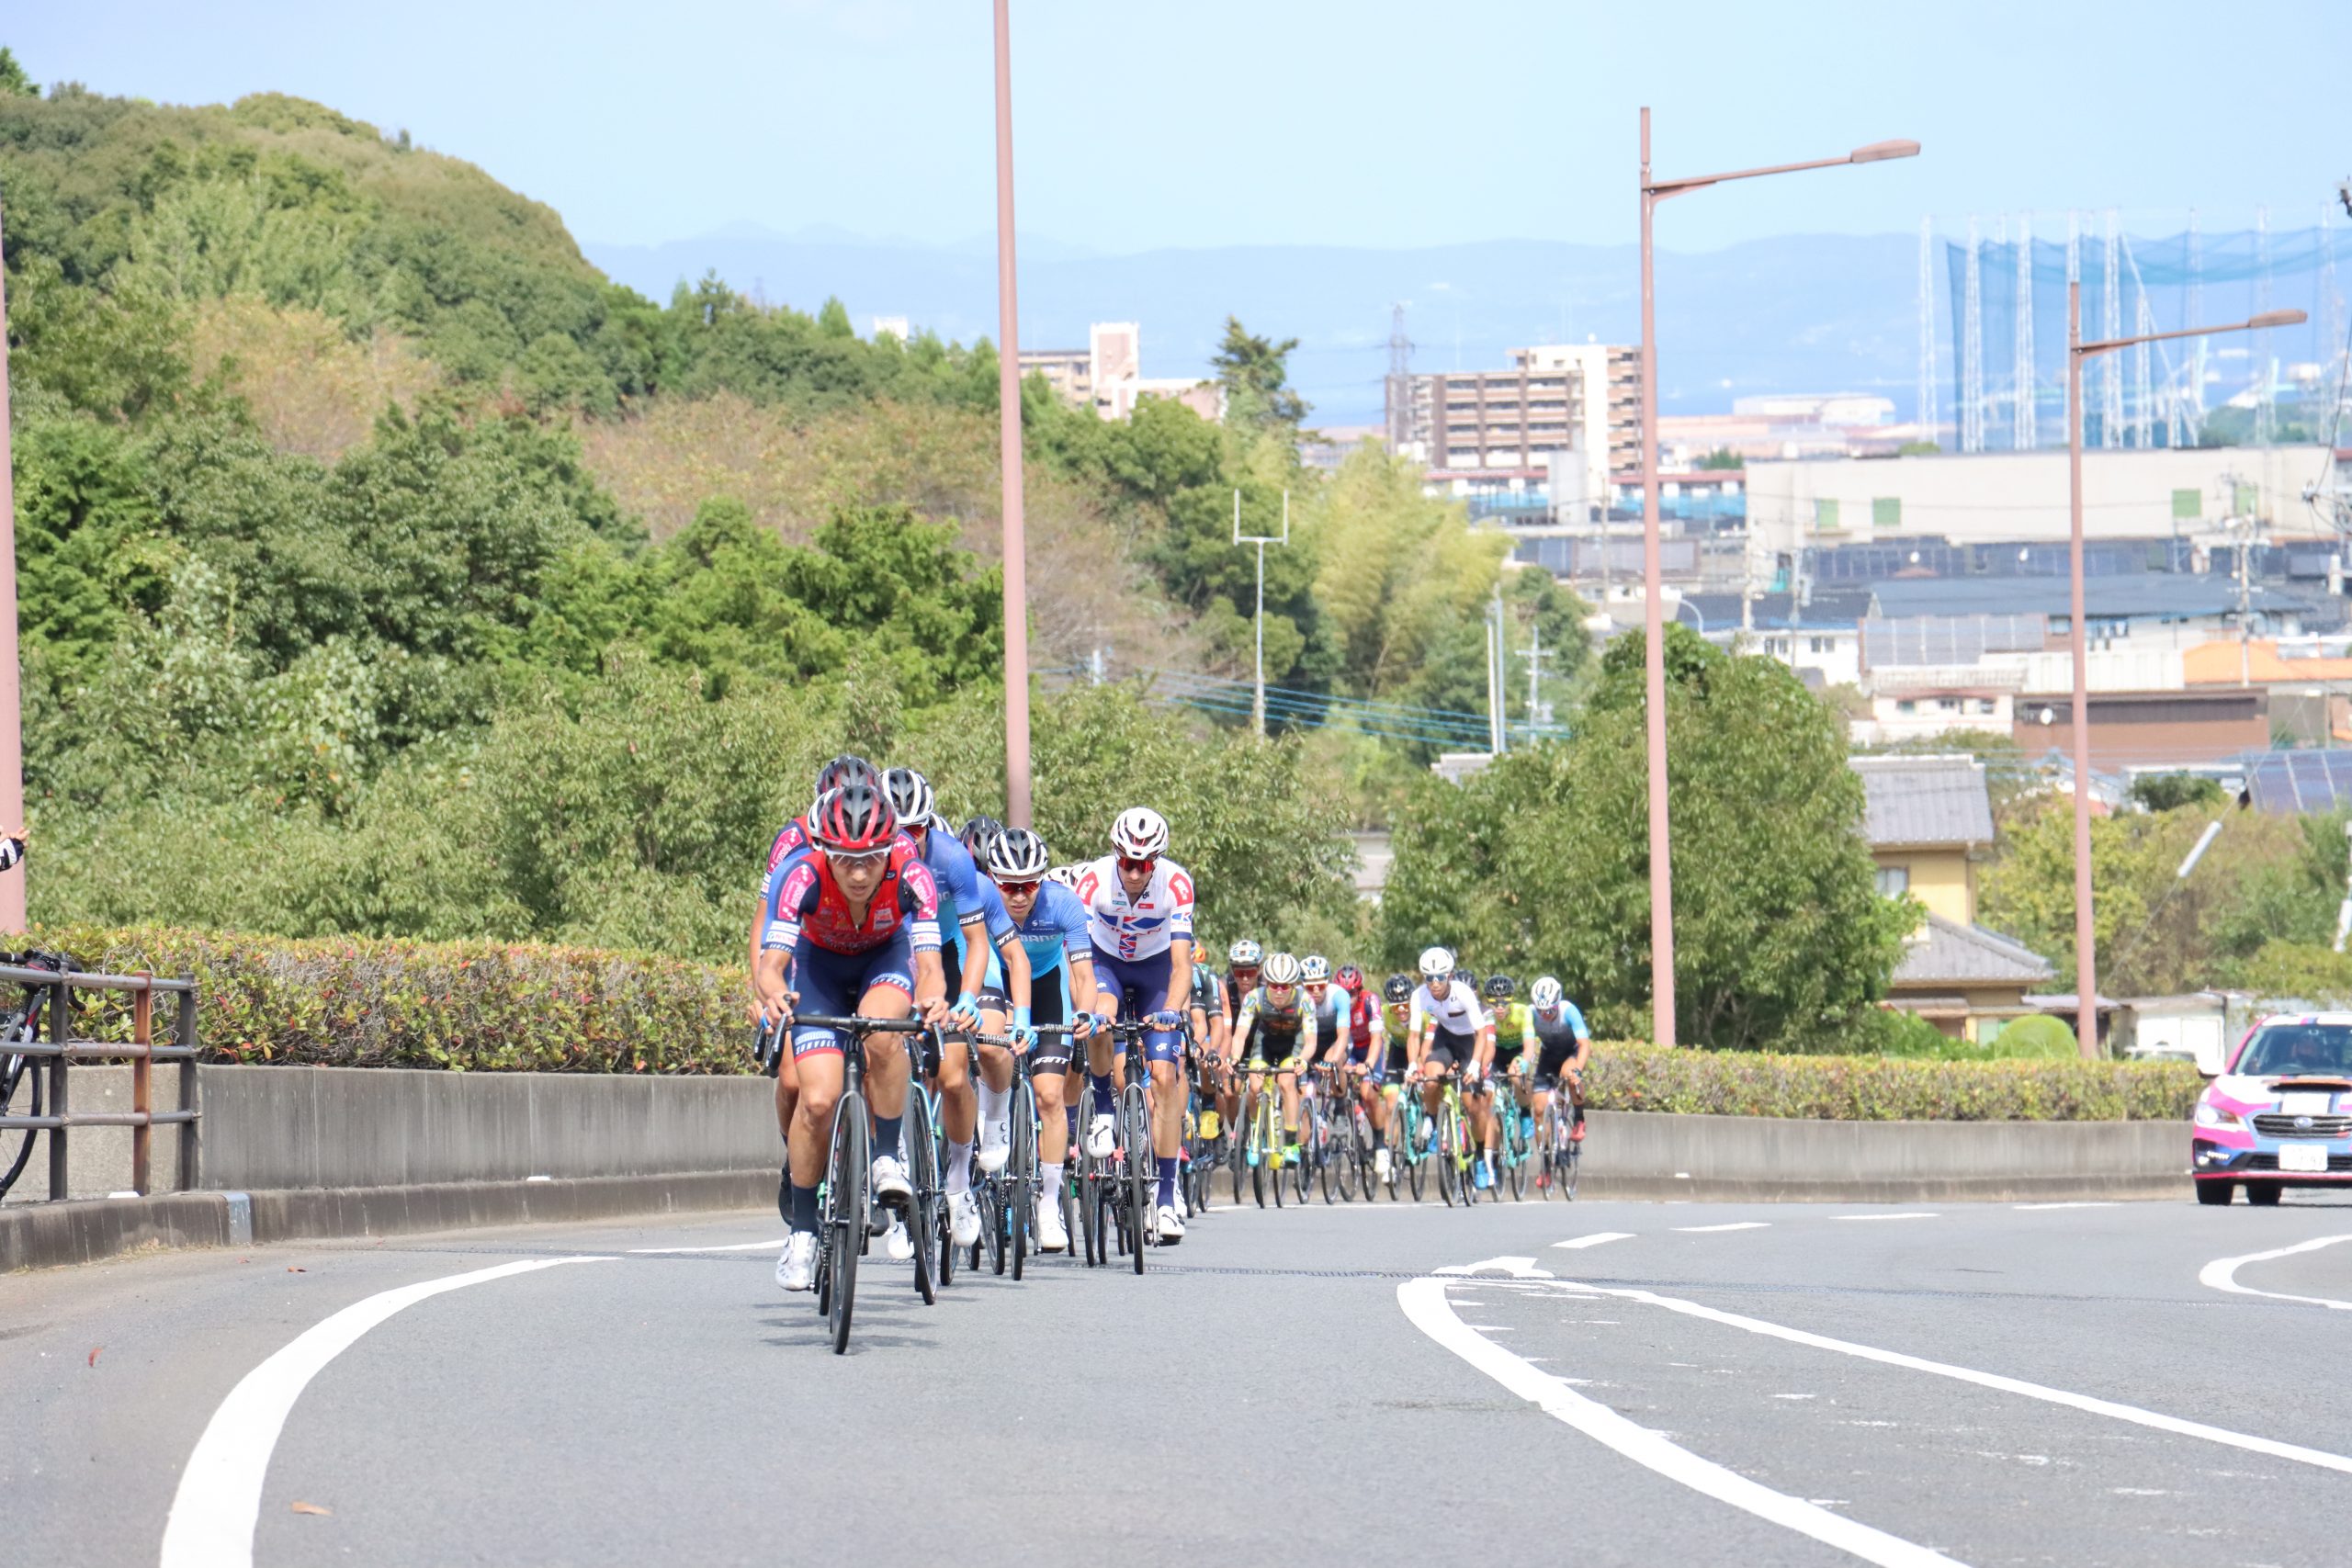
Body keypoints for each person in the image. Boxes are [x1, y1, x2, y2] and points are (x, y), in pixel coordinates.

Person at [753, 784, 950, 1292]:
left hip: (884, 960)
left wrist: (931, 999)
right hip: (818, 970)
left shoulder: (913, 875)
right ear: (823, 850)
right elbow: (771, 966)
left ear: (890, 849)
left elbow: (929, 967)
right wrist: (773, 994)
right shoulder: (798, 876)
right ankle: (801, 1232)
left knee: (884, 1033)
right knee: (816, 1102)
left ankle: (886, 1153)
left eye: (871, 860)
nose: (859, 874)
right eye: (845, 861)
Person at [881, 772, 1033, 1253]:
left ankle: (959, 1180)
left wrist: (967, 998)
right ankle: (892, 1179)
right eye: (899, 830)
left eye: (919, 828)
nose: (910, 839)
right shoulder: (864, 863)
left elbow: (978, 947)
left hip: (945, 958)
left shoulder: (954, 862)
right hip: (890, 957)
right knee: (883, 1058)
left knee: (952, 1075)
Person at [1072, 807, 1197, 1244]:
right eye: (1126, 862)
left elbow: (1182, 966)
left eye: (1144, 864)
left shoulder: (1176, 884)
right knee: (1101, 1015)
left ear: (1157, 861)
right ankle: (1104, 1110)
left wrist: (1173, 1011)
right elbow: (1081, 964)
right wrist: (1086, 1010)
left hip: (1155, 970)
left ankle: (1165, 1198)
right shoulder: (1093, 880)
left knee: (1163, 1076)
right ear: (1114, 854)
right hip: (1104, 963)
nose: (1134, 872)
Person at [971, 826, 1098, 1252]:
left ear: (1042, 881)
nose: (1019, 895)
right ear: (993, 880)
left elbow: (1082, 973)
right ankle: (997, 1119)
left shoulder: (1064, 904)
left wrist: (1085, 1011)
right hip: (996, 979)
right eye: (1009, 886)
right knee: (992, 1050)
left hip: (1047, 989)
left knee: (1049, 1096)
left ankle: (1048, 1205)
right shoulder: (982, 901)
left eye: (1028, 885)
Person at [1404, 946, 1492, 1174]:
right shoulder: (1419, 996)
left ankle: (1481, 1154)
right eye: (1429, 978)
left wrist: (1474, 1065)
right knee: (1430, 1080)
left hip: (1468, 1042)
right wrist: (1413, 1064)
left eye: (1440, 978)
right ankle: (1433, 1122)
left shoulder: (1463, 993)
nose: (1434, 983)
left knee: (1474, 1107)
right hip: (1445, 1039)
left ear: (1449, 976)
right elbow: (1414, 1036)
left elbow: (1481, 1034)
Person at [1228, 951, 1317, 1169]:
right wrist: (1234, 1058)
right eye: (1273, 985)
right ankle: (1256, 1131)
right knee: (1254, 1086)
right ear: (1266, 982)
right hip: (1265, 1044)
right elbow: (1240, 1035)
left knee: (1287, 1082)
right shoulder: (1254, 998)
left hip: (1292, 1046)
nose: (1278, 991)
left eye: (1285, 986)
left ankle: (1289, 1143)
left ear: (1294, 985)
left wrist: (1303, 1060)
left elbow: (1310, 1041)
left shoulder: (1304, 1001)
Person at [1524, 976, 1593, 1168]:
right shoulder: (1530, 1013)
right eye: (1540, 1010)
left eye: (1549, 1010)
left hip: (1571, 1052)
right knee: (1538, 1109)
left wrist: (1578, 1070)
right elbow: (1526, 1042)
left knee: (1569, 1074)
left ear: (1557, 1003)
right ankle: (1546, 1158)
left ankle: (1579, 1117)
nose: (1545, 1014)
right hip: (1548, 1055)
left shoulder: (1569, 1011)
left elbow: (1584, 1045)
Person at [1332, 964, 1392, 1179]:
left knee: (1368, 1094)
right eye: (1343, 994)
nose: (1347, 999)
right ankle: (1341, 1110)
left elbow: (1377, 1038)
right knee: (1334, 1068)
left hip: (1369, 1049)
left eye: (1352, 994)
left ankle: (1380, 1146)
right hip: (1349, 1048)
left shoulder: (1370, 1001)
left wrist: (1367, 1065)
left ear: (1360, 990)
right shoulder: (1334, 1004)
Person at [1475, 972, 1523, 1190]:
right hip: (1494, 1058)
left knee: (1517, 1079)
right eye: (1494, 1002)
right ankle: (1488, 1156)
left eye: (1505, 1002)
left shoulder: (1522, 1014)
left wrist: (1524, 1063)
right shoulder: (1485, 1017)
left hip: (1515, 1054)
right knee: (1491, 1103)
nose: (1500, 1006)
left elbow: (1530, 1044)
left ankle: (1524, 1116)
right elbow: (1486, 1048)